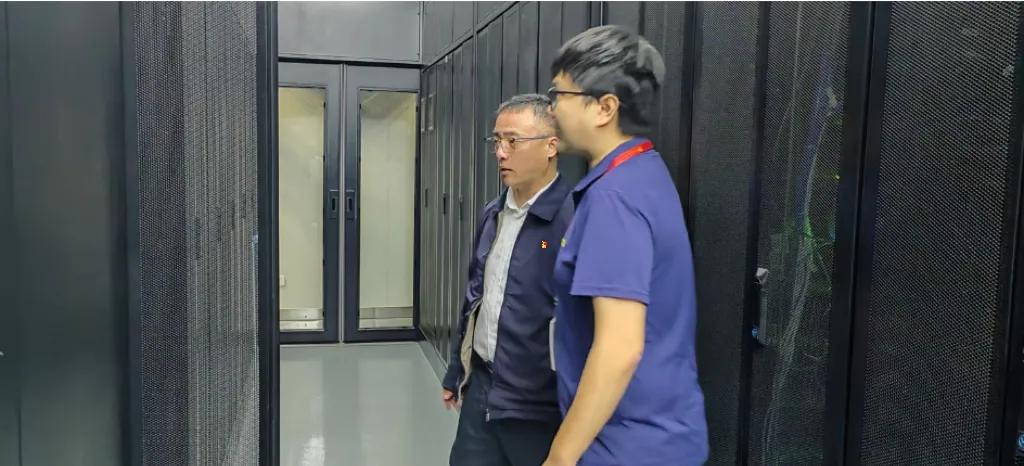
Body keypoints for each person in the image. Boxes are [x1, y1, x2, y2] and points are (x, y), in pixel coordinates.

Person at [542, 25, 709, 466]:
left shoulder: (614, 197)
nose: (551, 108)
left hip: (627, 446)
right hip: (658, 435)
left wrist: (560, 457)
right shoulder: (643, 172)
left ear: (604, 108)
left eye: (559, 94)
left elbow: (620, 348)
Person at [443, 93, 575, 466]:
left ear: (551, 146)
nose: (501, 153)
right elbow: (476, 298)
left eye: (513, 141)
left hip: (538, 408)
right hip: (482, 390)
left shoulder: (573, 220)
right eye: (497, 141)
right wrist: (457, 369)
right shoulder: (494, 214)